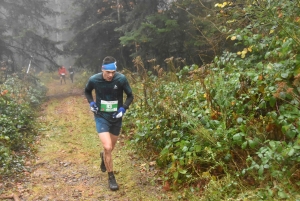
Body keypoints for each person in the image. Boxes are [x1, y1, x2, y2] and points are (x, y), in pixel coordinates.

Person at [84, 56, 134, 191]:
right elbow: (87, 91)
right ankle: (111, 178)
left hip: (116, 117)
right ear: (102, 70)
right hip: (101, 116)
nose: (111, 75)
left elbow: (130, 96)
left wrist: (123, 109)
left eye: (113, 72)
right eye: (108, 72)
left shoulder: (121, 79)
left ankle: (104, 156)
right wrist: (92, 103)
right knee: (107, 147)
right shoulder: (94, 79)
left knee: (110, 148)